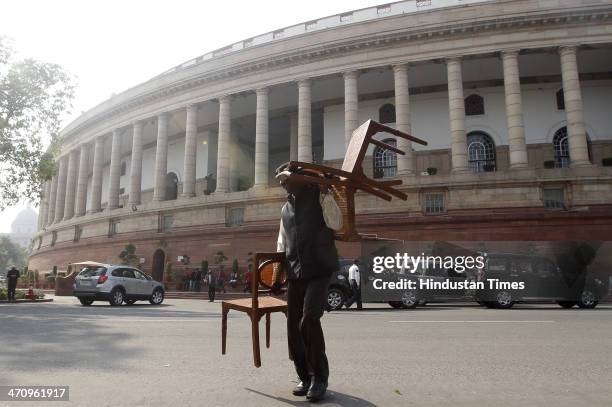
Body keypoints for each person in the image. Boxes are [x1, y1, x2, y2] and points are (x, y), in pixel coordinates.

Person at [276, 163, 339, 402]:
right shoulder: (285, 209)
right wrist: (278, 273)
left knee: (309, 319)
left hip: (320, 268)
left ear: (300, 181)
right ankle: (304, 377)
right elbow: (282, 243)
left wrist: (327, 195)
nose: (284, 185)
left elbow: (336, 224)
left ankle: (320, 377)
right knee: (293, 326)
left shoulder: (320, 197)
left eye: (287, 181)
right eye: (282, 182)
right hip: (295, 272)